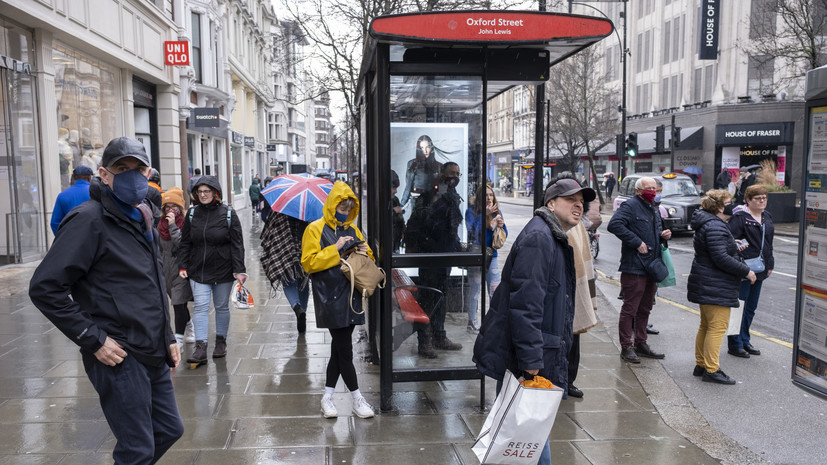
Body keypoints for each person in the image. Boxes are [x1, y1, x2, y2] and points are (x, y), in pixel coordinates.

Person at [29, 136, 184, 463]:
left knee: (169, 429)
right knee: (137, 448)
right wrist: (94, 339)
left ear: (148, 174)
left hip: (152, 346)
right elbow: (45, 287)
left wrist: (168, 335)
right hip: (118, 353)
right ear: (104, 174)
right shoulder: (89, 219)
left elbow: (155, 282)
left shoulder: (143, 215)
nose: (131, 175)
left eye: (138, 169)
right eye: (121, 168)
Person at [473, 178, 595, 465]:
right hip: (527, 357)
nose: (579, 205)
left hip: (536, 352)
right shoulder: (541, 239)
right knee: (528, 434)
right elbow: (526, 306)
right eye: (570, 199)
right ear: (550, 204)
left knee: (528, 433)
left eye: (582, 201)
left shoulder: (551, 236)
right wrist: (531, 360)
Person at [301, 181, 376, 419]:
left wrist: (365, 252)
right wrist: (335, 249)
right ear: (333, 206)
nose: (344, 213)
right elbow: (309, 262)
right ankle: (357, 398)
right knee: (345, 351)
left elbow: (369, 259)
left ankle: (327, 398)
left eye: (348, 209)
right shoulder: (315, 229)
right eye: (341, 208)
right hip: (329, 297)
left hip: (353, 296)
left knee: (338, 349)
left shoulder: (353, 230)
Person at [688, 190, 756, 384]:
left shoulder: (709, 223)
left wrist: (731, 245)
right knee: (717, 327)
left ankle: (701, 364)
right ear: (719, 207)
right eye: (728, 202)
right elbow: (720, 258)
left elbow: (715, 250)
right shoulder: (714, 226)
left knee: (706, 325)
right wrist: (745, 271)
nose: (731, 205)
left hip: (706, 282)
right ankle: (712, 369)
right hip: (715, 283)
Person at [178, 176, 247, 366]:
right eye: (199, 192)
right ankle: (200, 347)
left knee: (221, 307)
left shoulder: (228, 214)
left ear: (215, 193)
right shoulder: (192, 214)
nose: (203, 195)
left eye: (207, 191)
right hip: (198, 270)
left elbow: (237, 244)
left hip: (223, 269)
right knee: (200, 307)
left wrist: (240, 270)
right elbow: (185, 243)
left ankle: (220, 342)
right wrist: (182, 265)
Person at [607, 177, 672, 363]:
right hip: (634, 267)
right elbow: (614, 225)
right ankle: (626, 346)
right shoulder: (630, 206)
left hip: (652, 266)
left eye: (655, 188)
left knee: (646, 307)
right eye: (648, 188)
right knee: (630, 309)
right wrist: (636, 242)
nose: (652, 191)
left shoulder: (654, 207)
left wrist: (664, 236)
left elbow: (656, 231)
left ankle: (641, 343)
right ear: (637, 191)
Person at [415, 162, 465, 358]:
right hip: (430, 256)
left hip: (445, 256)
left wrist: (457, 247)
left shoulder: (452, 196)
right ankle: (424, 341)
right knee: (427, 299)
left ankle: (439, 336)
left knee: (441, 298)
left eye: (457, 173)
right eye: (451, 173)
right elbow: (421, 224)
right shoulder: (430, 195)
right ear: (441, 173)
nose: (454, 176)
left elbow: (451, 228)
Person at [727, 185, 774, 358]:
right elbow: (729, 241)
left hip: (760, 267)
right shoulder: (739, 218)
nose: (762, 201)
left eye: (764, 197)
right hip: (743, 267)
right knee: (738, 306)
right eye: (757, 198)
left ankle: (745, 340)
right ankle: (735, 343)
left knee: (751, 308)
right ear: (748, 200)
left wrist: (770, 264)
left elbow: (769, 243)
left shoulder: (767, 217)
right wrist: (738, 244)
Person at [464, 184, 506, 333]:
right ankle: (472, 322)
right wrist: (484, 215)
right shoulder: (471, 212)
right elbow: (473, 232)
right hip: (476, 255)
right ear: (479, 197)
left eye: (490, 195)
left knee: (495, 291)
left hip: (492, 256)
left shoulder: (496, 212)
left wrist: (501, 225)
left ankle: (494, 323)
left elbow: (503, 234)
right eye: (485, 195)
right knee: (475, 291)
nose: (488, 198)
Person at [261, 211, 310, 333]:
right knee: (303, 280)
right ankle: (303, 311)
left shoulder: (279, 209)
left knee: (288, 280)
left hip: (284, 248)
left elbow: (268, 232)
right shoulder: (308, 210)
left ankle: (297, 308)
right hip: (304, 248)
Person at [159, 187, 194, 349]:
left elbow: (181, 243)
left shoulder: (185, 223)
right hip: (165, 270)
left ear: (180, 208)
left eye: (174, 207)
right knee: (178, 303)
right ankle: (189, 324)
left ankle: (178, 338)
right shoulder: (159, 225)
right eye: (167, 207)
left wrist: (172, 225)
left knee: (178, 304)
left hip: (181, 268)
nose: (170, 210)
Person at [400, 135, 442, 208]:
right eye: (422, 148)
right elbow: (408, 187)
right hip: (416, 201)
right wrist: (401, 206)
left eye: (427, 147)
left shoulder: (439, 166)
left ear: (431, 148)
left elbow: (443, 189)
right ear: (418, 149)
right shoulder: (412, 164)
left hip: (433, 203)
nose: (425, 151)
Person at [50, 165, 93, 235]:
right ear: (89, 177)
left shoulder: (62, 196)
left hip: (71, 239)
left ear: (74, 177)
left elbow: (54, 223)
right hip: (93, 237)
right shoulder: (96, 193)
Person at [391, 170, 405, 253]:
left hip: (396, 241)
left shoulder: (395, 200)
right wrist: (393, 211)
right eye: (393, 188)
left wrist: (404, 230)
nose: (395, 191)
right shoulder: (378, 201)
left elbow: (400, 219)